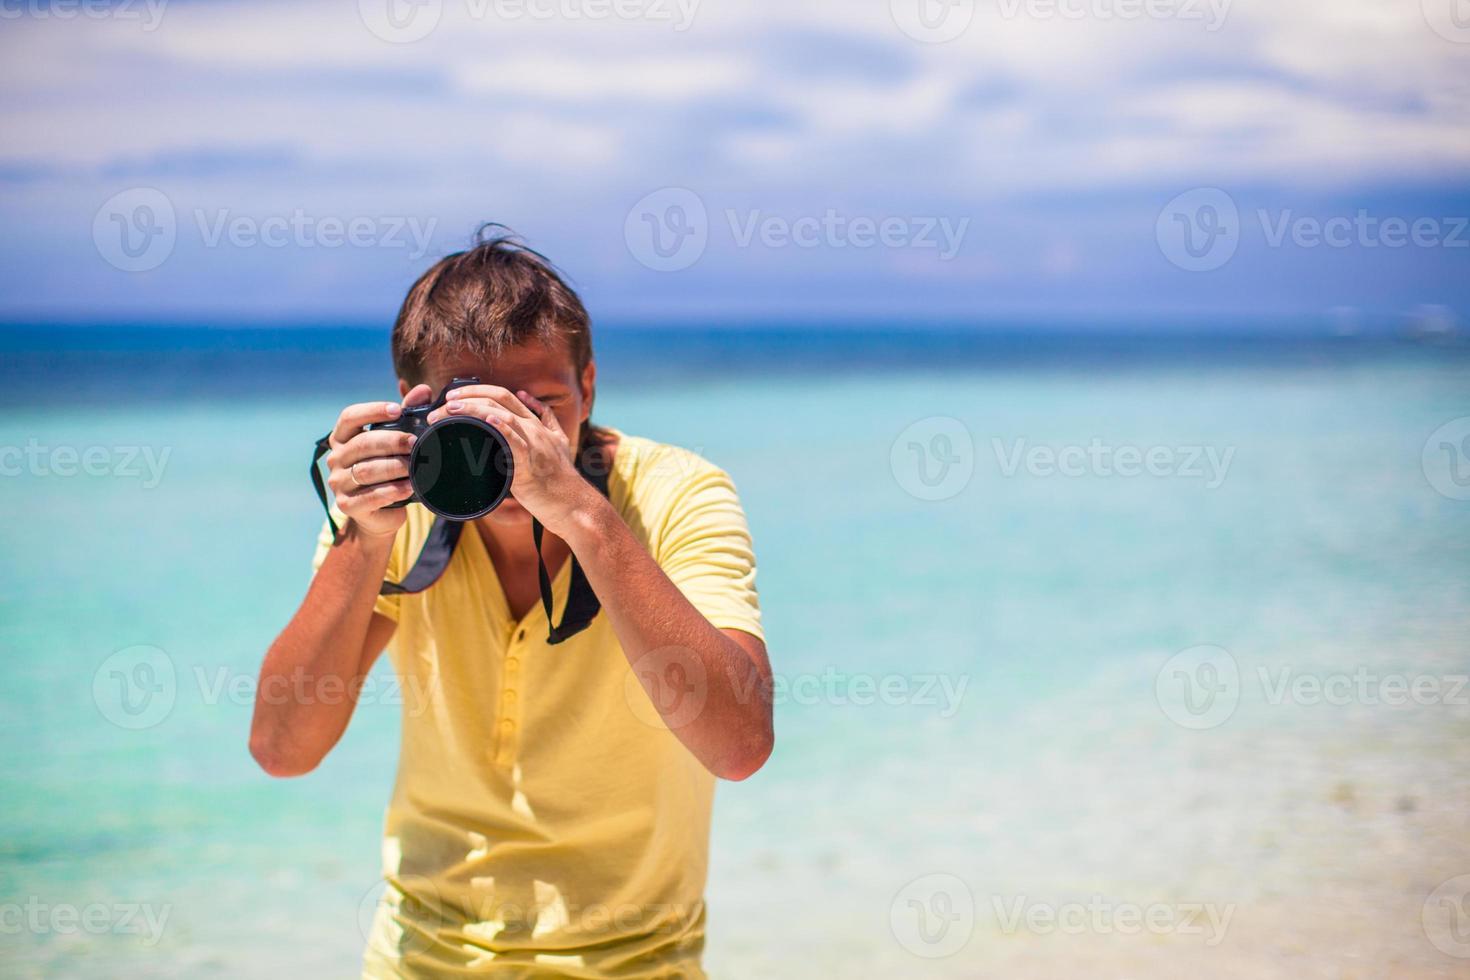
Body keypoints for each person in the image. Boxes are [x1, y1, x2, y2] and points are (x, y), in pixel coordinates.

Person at [248, 228, 774, 978]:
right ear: (413, 406)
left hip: (635, 958)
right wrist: (361, 540)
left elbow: (740, 745)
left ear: (589, 387)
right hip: (423, 957)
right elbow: (282, 749)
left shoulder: (673, 495)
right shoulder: (395, 512)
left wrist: (583, 514)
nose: (513, 445)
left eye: (540, 410)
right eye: (480, 415)